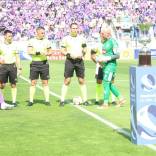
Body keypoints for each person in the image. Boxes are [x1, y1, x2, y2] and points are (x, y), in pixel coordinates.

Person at [94, 25, 125, 109]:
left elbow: (117, 55)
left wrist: (107, 58)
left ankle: (105, 104)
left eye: (103, 33)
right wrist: (100, 59)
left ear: (108, 33)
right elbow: (105, 54)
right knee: (110, 84)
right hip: (105, 66)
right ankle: (121, 99)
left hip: (111, 66)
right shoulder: (104, 42)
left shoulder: (113, 41)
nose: (102, 34)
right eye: (102, 33)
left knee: (106, 83)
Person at [60, 22, 89, 106]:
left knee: (81, 80)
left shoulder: (82, 38)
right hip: (69, 61)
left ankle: (85, 100)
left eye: (76, 28)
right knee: (67, 80)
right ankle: (62, 100)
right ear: (70, 29)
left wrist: (83, 54)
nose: (75, 30)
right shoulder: (66, 39)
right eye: (73, 28)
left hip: (79, 61)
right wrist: (69, 54)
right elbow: (62, 50)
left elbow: (85, 49)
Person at [27, 27, 52, 106]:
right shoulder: (32, 41)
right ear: (37, 32)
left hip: (44, 64)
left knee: (45, 82)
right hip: (34, 63)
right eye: (42, 33)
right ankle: (31, 101)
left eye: (44, 33)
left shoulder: (47, 41)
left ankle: (47, 101)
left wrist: (47, 53)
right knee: (33, 82)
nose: (43, 34)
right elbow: (29, 51)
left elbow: (50, 52)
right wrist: (38, 52)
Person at [0, 30, 21, 106]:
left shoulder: (15, 45)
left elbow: (17, 57)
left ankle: (14, 102)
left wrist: (19, 68)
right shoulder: (1, 45)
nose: (10, 37)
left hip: (12, 66)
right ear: (5, 36)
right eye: (9, 36)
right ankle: (2, 101)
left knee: (13, 84)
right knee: (2, 85)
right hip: (3, 67)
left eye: (11, 36)